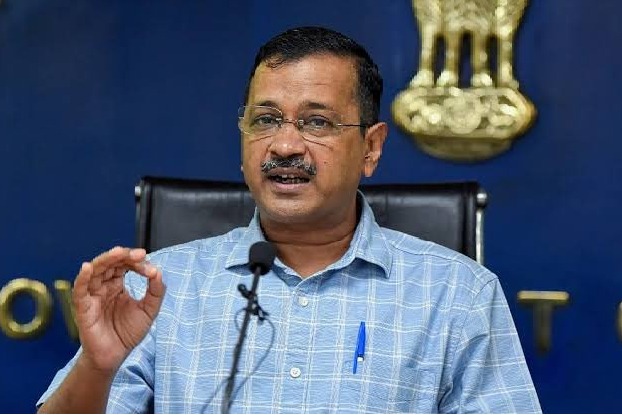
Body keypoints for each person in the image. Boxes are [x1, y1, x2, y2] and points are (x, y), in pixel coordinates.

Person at [37, 26, 541, 413]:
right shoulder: (159, 288)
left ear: (371, 148)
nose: (284, 145)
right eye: (266, 120)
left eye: (316, 122)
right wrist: (97, 366)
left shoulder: (457, 295)